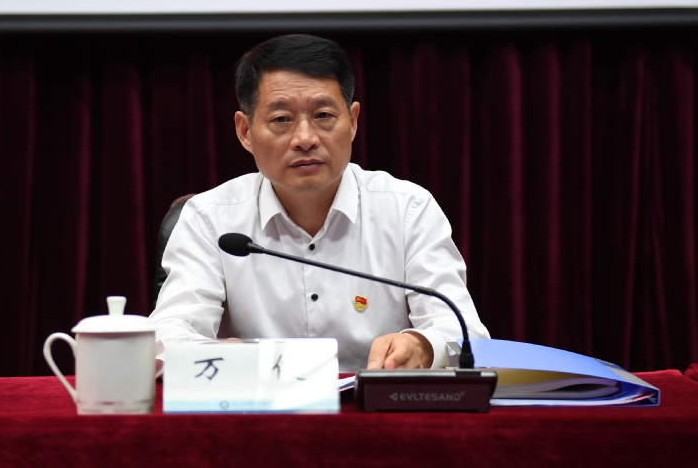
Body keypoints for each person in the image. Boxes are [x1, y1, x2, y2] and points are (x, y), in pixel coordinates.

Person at [150, 34, 489, 373]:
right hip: (256, 401)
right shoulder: (209, 219)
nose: (305, 139)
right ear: (245, 131)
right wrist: (226, 357)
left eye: (323, 115)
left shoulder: (408, 211)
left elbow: (466, 333)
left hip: (372, 403)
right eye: (281, 119)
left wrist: (422, 346)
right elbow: (166, 337)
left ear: (352, 121)